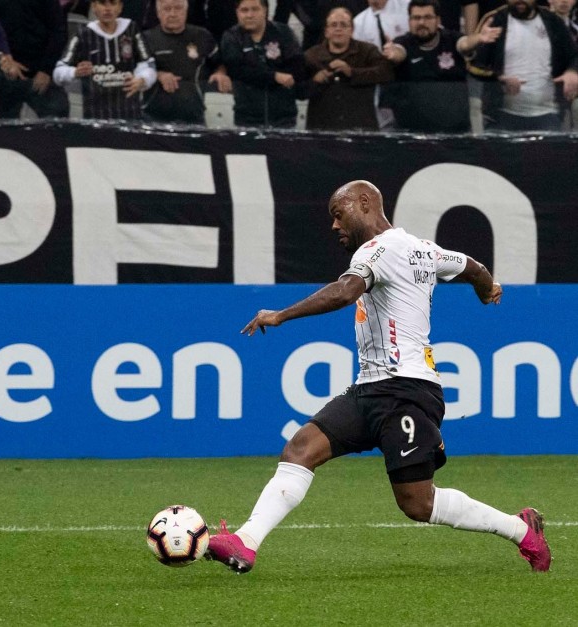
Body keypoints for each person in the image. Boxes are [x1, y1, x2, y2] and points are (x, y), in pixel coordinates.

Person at [205, 180, 551, 575]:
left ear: (365, 203)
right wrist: (487, 289)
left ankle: (521, 530)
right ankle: (246, 542)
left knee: (418, 504)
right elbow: (473, 268)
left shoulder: (379, 250)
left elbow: (345, 291)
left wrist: (281, 315)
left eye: (339, 213)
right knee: (300, 450)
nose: (334, 225)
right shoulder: (423, 249)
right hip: (371, 389)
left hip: (407, 392)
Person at [381, 0, 500, 132]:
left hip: (453, 132)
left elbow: (465, 44)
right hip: (414, 133)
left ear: (438, 20)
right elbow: (399, 52)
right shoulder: (403, 42)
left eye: (427, 17)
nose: (421, 23)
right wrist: (392, 54)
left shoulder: (451, 39)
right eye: (416, 18)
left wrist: (477, 38)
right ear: (409, 21)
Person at [468, 0, 578, 131]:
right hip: (501, 116)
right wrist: (498, 78)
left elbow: (574, 56)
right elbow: (474, 65)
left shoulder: (552, 21)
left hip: (548, 114)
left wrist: (572, 72)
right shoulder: (495, 19)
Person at [53, 0, 156, 120]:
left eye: (113, 3)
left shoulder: (132, 29)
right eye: (102, 3)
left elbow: (148, 64)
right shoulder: (83, 34)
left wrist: (142, 79)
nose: (108, 9)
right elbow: (58, 72)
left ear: (120, 7)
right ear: (94, 6)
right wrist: (74, 72)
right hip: (95, 117)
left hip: (130, 114)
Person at [304, 6, 393, 130]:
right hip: (322, 129)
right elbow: (299, 91)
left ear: (352, 30)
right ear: (326, 31)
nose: (338, 29)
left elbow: (386, 73)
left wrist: (352, 73)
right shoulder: (311, 56)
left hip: (361, 128)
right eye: (333, 25)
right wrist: (315, 81)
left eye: (343, 25)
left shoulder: (367, 51)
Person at [220, 0, 304, 128]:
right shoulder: (231, 37)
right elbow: (238, 70)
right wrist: (274, 76)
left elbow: (297, 66)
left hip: (283, 118)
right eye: (244, 10)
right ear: (237, 12)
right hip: (247, 118)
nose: (249, 15)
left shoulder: (284, 32)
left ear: (265, 10)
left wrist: (265, 74)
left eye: (255, 9)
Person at [143, 0, 229, 124]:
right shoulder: (146, 39)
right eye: (167, 9)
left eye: (178, 8)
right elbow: (137, 71)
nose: (173, 14)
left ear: (186, 11)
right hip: (155, 116)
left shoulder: (203, 35)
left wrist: (220, 74)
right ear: (158, 13)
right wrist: (159, 75)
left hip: (197, 115)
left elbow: (219, 64)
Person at [0, 0, 71, 119]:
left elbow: (59, 30)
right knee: (2, 129)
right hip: (2, 71)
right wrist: (2, 58)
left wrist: (46, 69)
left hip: (40, 71)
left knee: (58, 121)